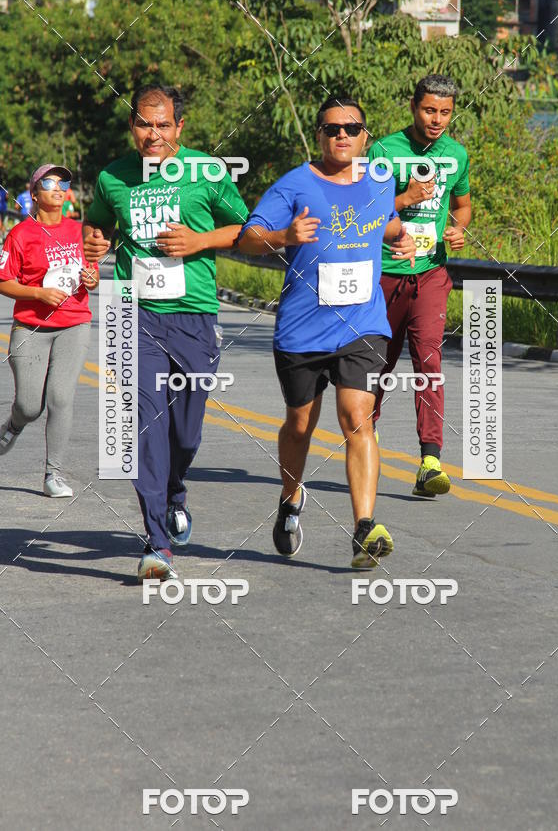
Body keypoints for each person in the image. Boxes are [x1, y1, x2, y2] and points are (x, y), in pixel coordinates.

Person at [239, 95, 416, 569]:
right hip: (301, 329)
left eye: (352, 128)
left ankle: (364, 528)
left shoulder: (380, 181)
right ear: (319, 136)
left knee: (357, 414)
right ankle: (291, 498)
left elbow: (385, 222)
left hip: (362, 324)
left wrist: (403, 237)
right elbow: (247, 237)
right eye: (332, 128)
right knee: (300, 425)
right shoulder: (294, 184)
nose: (342, 135)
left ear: (365, 137)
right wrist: (284, 237)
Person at [83, 83, 248, 583]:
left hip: (195, 314)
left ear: (179, 127)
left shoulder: (208, 172)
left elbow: (248, 229)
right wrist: (94, 244)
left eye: (162, 124)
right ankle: (157, 542)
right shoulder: (113, 176)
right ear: (132, 125)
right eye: (142, 124)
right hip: (133, 311)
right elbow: (97, 230)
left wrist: (199, 240)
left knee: (187, 431)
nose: (151, 134)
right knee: (145, 426)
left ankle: (176, 488)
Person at [368, 74, 471, 497]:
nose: (437, 120)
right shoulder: (384, 150)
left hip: (430, 273)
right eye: (430, 110)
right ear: (414, 107)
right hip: (384, 274)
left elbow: (462, 206)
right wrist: (406, 199)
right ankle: (364, 442)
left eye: (445, 112)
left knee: (428, 362)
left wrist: (458, 230)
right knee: (377, 366)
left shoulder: (457, 154)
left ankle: (430, 460)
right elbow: (362, 210)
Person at [0, 164, 99, 496]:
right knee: (30, 406)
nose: (58, 187)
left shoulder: (80, 231)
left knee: (60, 398)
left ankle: (53, 474)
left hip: (74, 323)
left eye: (63, 182)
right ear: (34, 193)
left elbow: (93, 273)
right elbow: (4, 281)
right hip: (30, 327)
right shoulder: (20, 234)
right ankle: (13, 425)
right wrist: (38, 293)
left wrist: (91, 279)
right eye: (49, 182)